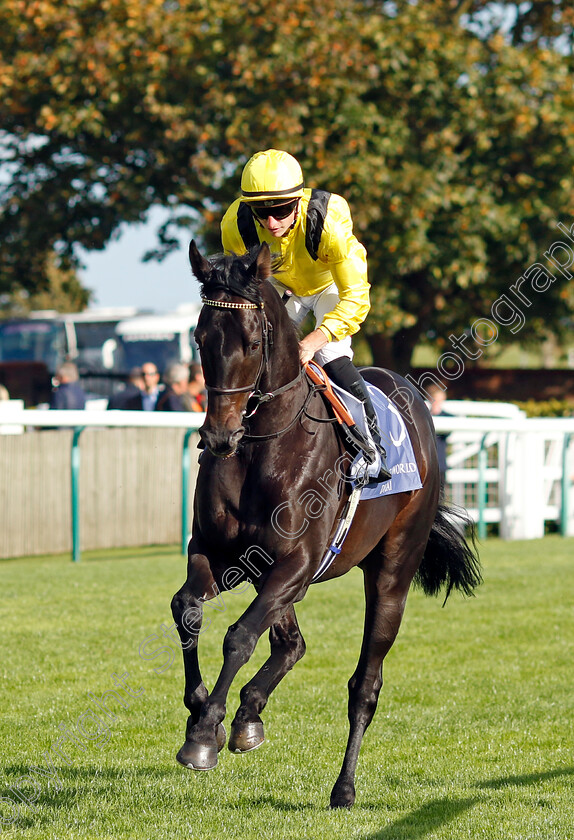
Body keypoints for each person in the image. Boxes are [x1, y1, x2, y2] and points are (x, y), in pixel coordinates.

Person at [221, 148, 391, 481]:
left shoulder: (327, 224)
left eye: (281, 210)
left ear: (298, 201)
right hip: (284, 289)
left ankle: (372, 446)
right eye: (261, 211)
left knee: (330, 354)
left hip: (331, 288)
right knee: (253, 353)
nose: (271, 223)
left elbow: (356, 296)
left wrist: (313, 340)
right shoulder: (235, 226)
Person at [426, 383, 452, 498]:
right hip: (426, 463)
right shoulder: (424, 415)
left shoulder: (448, 417)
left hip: (440, 464)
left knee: (440, 498)